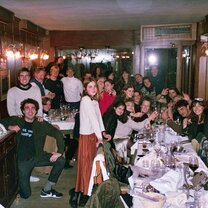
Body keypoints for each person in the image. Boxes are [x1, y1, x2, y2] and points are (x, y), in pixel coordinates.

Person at [0, 98, 65, 199]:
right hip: (23, 161)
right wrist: (9, 127)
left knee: (60, 160)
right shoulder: (17, 120)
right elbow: (1, 122)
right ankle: (22, 178)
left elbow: (57, 133)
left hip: (38, 156)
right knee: (25, 195)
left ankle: (47, 189)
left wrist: (59, 152)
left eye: (33, 108)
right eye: (27, 108)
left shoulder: (41, 123)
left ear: (36, 110)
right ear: (23, 111)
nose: (30, 111)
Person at [70, 78, 111, 208]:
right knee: (86, 166)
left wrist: (102, 132)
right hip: (87, 137)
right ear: (85, 89)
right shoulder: (86, 100)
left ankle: (80, 192)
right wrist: (100, 138)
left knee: (91, 166)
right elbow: (93, 120)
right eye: (90, 87)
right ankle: (81, 194)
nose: (93, 89)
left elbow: (98, 117)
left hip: (93, 136)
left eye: (94, 87)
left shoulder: (94, 100)